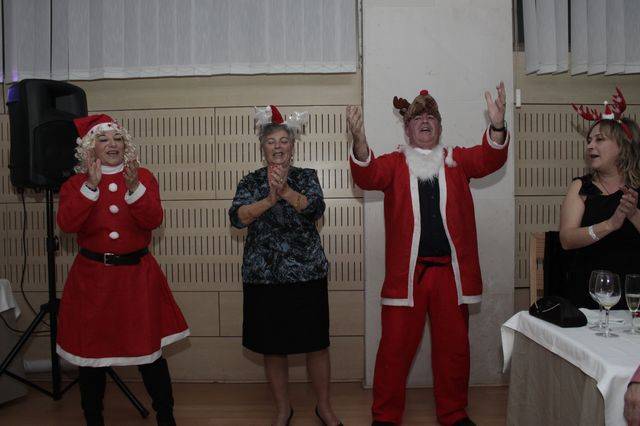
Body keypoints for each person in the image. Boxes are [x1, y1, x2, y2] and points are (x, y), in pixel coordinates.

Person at [346, 83, 509, 426]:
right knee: (394, 349)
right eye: (417, 118)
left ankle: (453, 413)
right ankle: (385, 416)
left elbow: (490, 157)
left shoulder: (456, 160)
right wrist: (359, 141)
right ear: (407, 129)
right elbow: (367, 174)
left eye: (431, 117)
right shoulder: (394, 164)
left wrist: (497, 125)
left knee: (454, 350)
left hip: (450, 275)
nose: (424, 121)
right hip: (407, 277)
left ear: (439, 126)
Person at [56, 114, 190, 426]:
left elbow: (153, 220)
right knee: (91, 359)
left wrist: (134, 188)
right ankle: (93, 419)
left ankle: (166, 417)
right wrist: (91, 186)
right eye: (103, 139)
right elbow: (67, 224)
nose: (112, 144)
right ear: (90, 148)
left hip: (136, 280)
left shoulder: (142, 177)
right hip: (92, 282)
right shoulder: (75, 184)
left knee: (150, 355)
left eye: (117, 138)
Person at [229, 105, 342, 426]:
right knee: (273, 347)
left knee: (316, 345)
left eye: (283, 141)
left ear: (292, 146)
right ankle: (283, 409)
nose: (277, 146)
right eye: (271, 141)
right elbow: (237, 218)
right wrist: (269, 198)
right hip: (263, 276)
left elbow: (315, 209)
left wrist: (286, 191)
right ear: (262, 147)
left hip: (306, 272)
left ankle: (324, 407)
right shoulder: (250, 181)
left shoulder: (307, 177)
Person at [559, 88, 640, 309]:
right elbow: (566, 239)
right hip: (588, 298)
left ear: (623, 146)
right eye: (589, 140)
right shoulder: (581, 187)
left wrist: (633, 213)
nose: (590, 145)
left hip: (634, 298)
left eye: (599, 139)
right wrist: (609, 225)